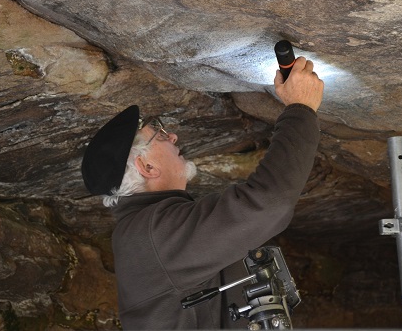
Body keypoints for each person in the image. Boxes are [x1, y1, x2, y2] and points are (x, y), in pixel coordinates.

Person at [81, 56, 324, 329]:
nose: (172, 136)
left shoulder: (149, 230)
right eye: (160, 134)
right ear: (147, 166)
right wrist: (300, 108)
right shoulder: (154, 234)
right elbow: (267, 203)